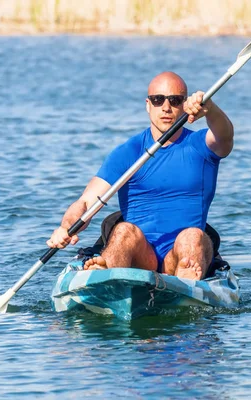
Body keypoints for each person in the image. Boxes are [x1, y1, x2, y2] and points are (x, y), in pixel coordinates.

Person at [46, 71, 234, 280]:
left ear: (184, 104)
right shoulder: (129, 152)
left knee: (192, 237)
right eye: (158, 100)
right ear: (148, 105)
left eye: (175, 100)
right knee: (124, 230)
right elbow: (86, 202)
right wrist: (65, 227)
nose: (166, 107)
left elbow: (224, 135)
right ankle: (106, 273)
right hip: (141, 256)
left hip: (180, 255)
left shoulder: (200, 146)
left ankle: (185, 283)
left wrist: (210, 110)